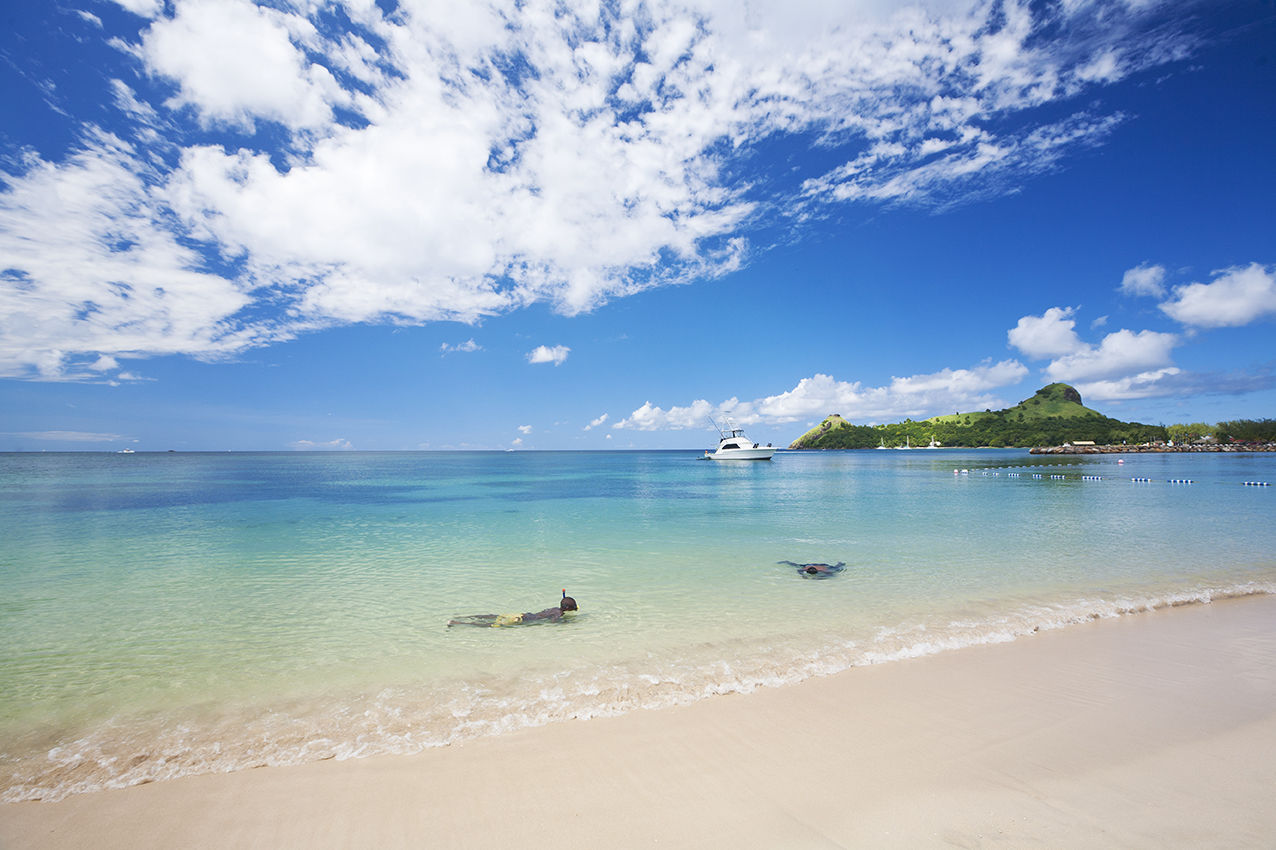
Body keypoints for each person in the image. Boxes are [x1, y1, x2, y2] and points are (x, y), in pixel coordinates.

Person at [448, 589, 579, 627]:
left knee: (493, 616)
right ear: (567, 609)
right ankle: (458, 623)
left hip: (521, 614)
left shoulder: (554, 608)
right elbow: (553, 622)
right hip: (521, 621)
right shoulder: (558, 614)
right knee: (491, 625)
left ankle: (462, 617)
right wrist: (565, 623)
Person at [778, 560, 846, 578]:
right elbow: (799, 571)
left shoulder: (823, 569)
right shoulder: (805, 568)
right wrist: (803, 576)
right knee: (796, 565)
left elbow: (832, 575)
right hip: (809, 565)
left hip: (823, 565)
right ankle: (786, 562)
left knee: (836, 568)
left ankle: (841, 563)